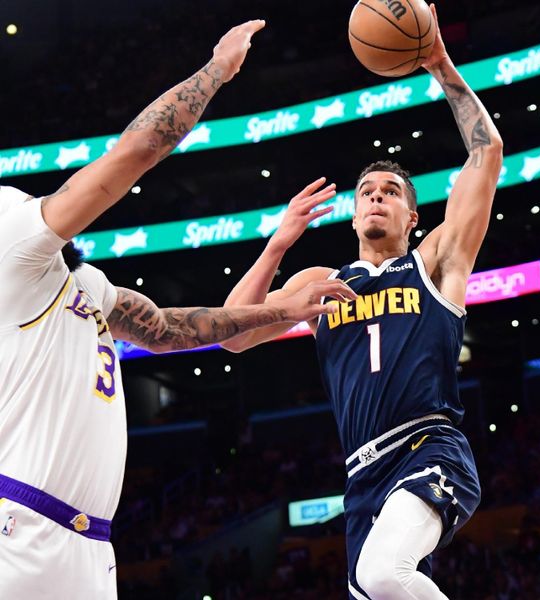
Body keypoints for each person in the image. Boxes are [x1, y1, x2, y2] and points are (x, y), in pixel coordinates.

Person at [0, 21, 355, 599]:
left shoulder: (87, 286)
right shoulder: (10, 245)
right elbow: (137, 151)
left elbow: (169, 330)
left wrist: (280, 308)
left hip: (90, 547)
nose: (48, 206)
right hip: (20, 527)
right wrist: (216, 70)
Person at [223, 4, 503, 598]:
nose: (376, 197)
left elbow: (485, 156)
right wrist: (276, 246)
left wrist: (443, 67)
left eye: (390, 191)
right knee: (374, 588)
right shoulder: (320, 282)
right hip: (361, 475)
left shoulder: (434, 264)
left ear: (412, 214)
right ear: (353, 213)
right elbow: (233, 333)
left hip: (429, 447)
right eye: (366, 192)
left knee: (383, 573)